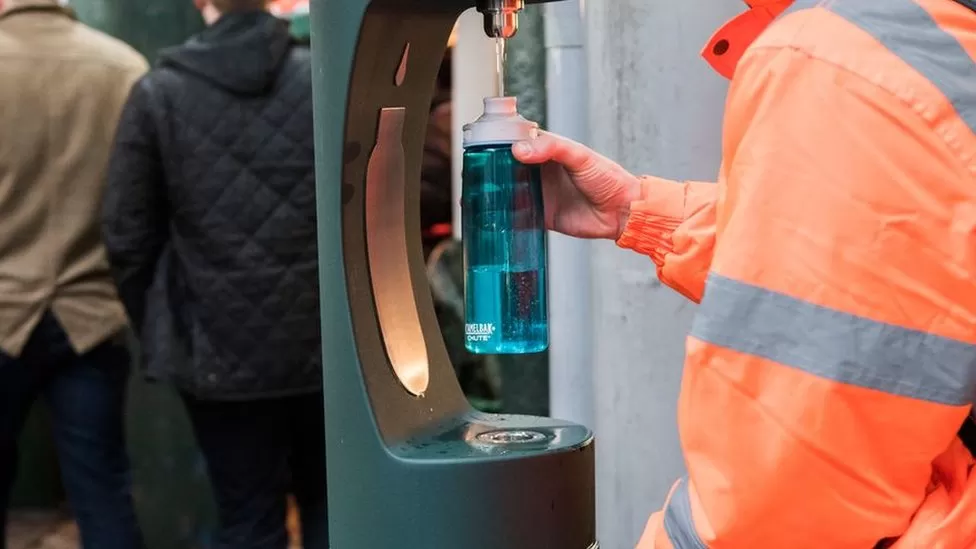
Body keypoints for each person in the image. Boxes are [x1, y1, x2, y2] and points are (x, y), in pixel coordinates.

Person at [512, 0, 976, 547]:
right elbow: (892, 263)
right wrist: (641, 211)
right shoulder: (922, 36)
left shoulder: (845, 59)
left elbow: (782, 505)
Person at [101, 1, 325, 548]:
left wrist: (165, 321)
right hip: (326, 347)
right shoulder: (324, 78)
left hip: (216, 353)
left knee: (247, 517)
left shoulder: (158, 94)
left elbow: (127, 236)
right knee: (332, 508)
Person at [0, 1, 148, 547]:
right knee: (103, 490)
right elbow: (144, 205)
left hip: (2, 309)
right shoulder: (123, 66)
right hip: (90, 314)